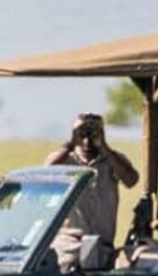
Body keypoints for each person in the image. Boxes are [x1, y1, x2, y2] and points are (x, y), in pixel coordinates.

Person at [45, 113, 139, 268]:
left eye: (93, 132)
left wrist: (105, 148)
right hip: (68, 243)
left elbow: (131, 180)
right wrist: (70, 143)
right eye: (82, 133)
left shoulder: (112, 160)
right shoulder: (65, 160)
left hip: (101, 244)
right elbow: (46, 172)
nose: (87, 140)